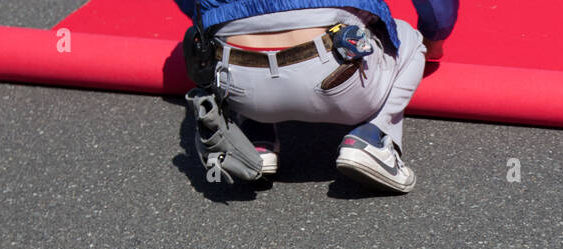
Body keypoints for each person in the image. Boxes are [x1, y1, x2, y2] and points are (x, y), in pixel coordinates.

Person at [192, 1, 459, 193]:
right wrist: (435, 36)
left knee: (222, 34)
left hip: (239, 82)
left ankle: (255, 135)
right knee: (408, 38)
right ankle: (373, 138)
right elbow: (435, 8)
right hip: (337, 78)